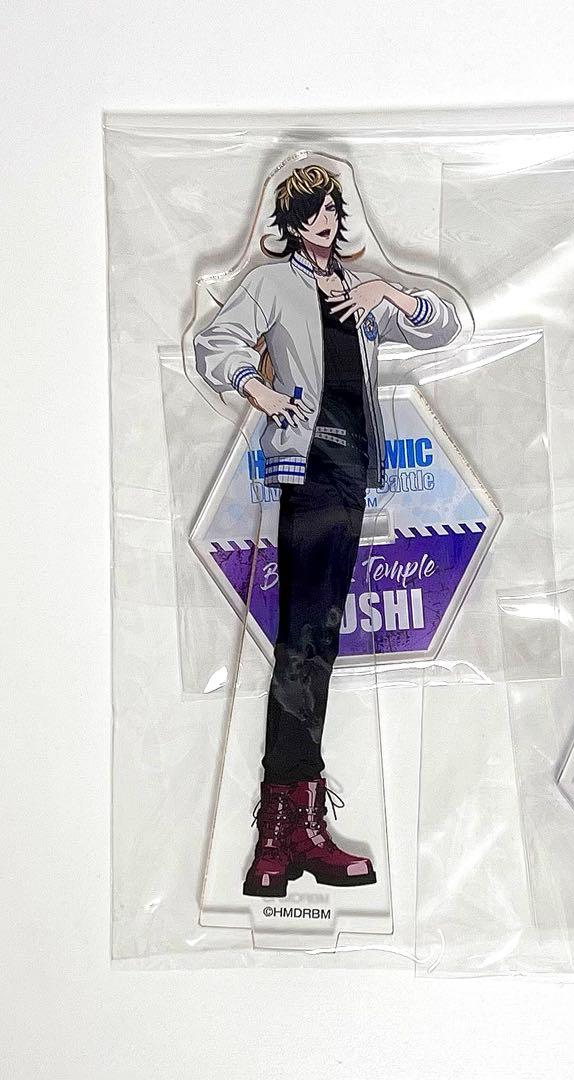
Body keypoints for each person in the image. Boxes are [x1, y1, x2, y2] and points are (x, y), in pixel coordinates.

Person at [194, 164, 461, 897]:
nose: (324, 220)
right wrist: (259, 390)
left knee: (319, 639)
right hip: (307, 464)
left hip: (354, 470)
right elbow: (215, 344)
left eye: (331, 209)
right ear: (290, 221)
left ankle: (290, 826)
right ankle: (284, 829)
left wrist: (389, 294)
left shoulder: (353, 287)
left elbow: (442, 325)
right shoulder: (274, 282)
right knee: (303, 641)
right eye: (311, 210)